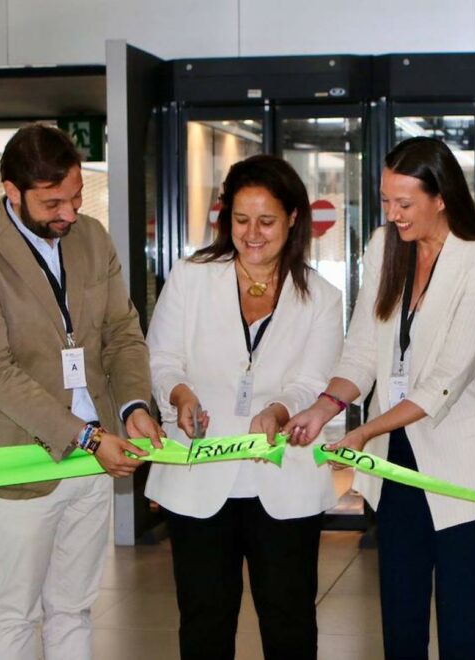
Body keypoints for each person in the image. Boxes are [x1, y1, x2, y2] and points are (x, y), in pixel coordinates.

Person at [285, 137, 475, 660]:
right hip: (395, 463)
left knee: (462, 632)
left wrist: (364, 431)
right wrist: (324, 408)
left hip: (462, 467)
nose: (392, 214)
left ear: (442, 197)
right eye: (386, 200)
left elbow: (446, 381)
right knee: (401, 626)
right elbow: (364, 350)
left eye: (404, 203)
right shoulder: (384, 246)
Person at [0, 124, 161, 659]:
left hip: (94, 456)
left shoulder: (92, 238)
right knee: (15, 612)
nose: (69, 213)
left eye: (77, 196)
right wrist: (87, 437)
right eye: (52, 202)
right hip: (21, 458)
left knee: (73, 608)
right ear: (12, 191)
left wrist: (134, 405)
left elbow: (122, 333)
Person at [144, 154, 342, 660]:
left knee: (290, 623)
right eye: (240, 219)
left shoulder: (321, 297)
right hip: (199, 477)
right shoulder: (191, 277)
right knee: (204, 622)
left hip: (284, 478)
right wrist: (179, 394)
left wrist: (279, 409)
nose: (252, 234)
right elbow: (162, 358)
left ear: (293, 218)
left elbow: (313, 382)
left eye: (267, 221)